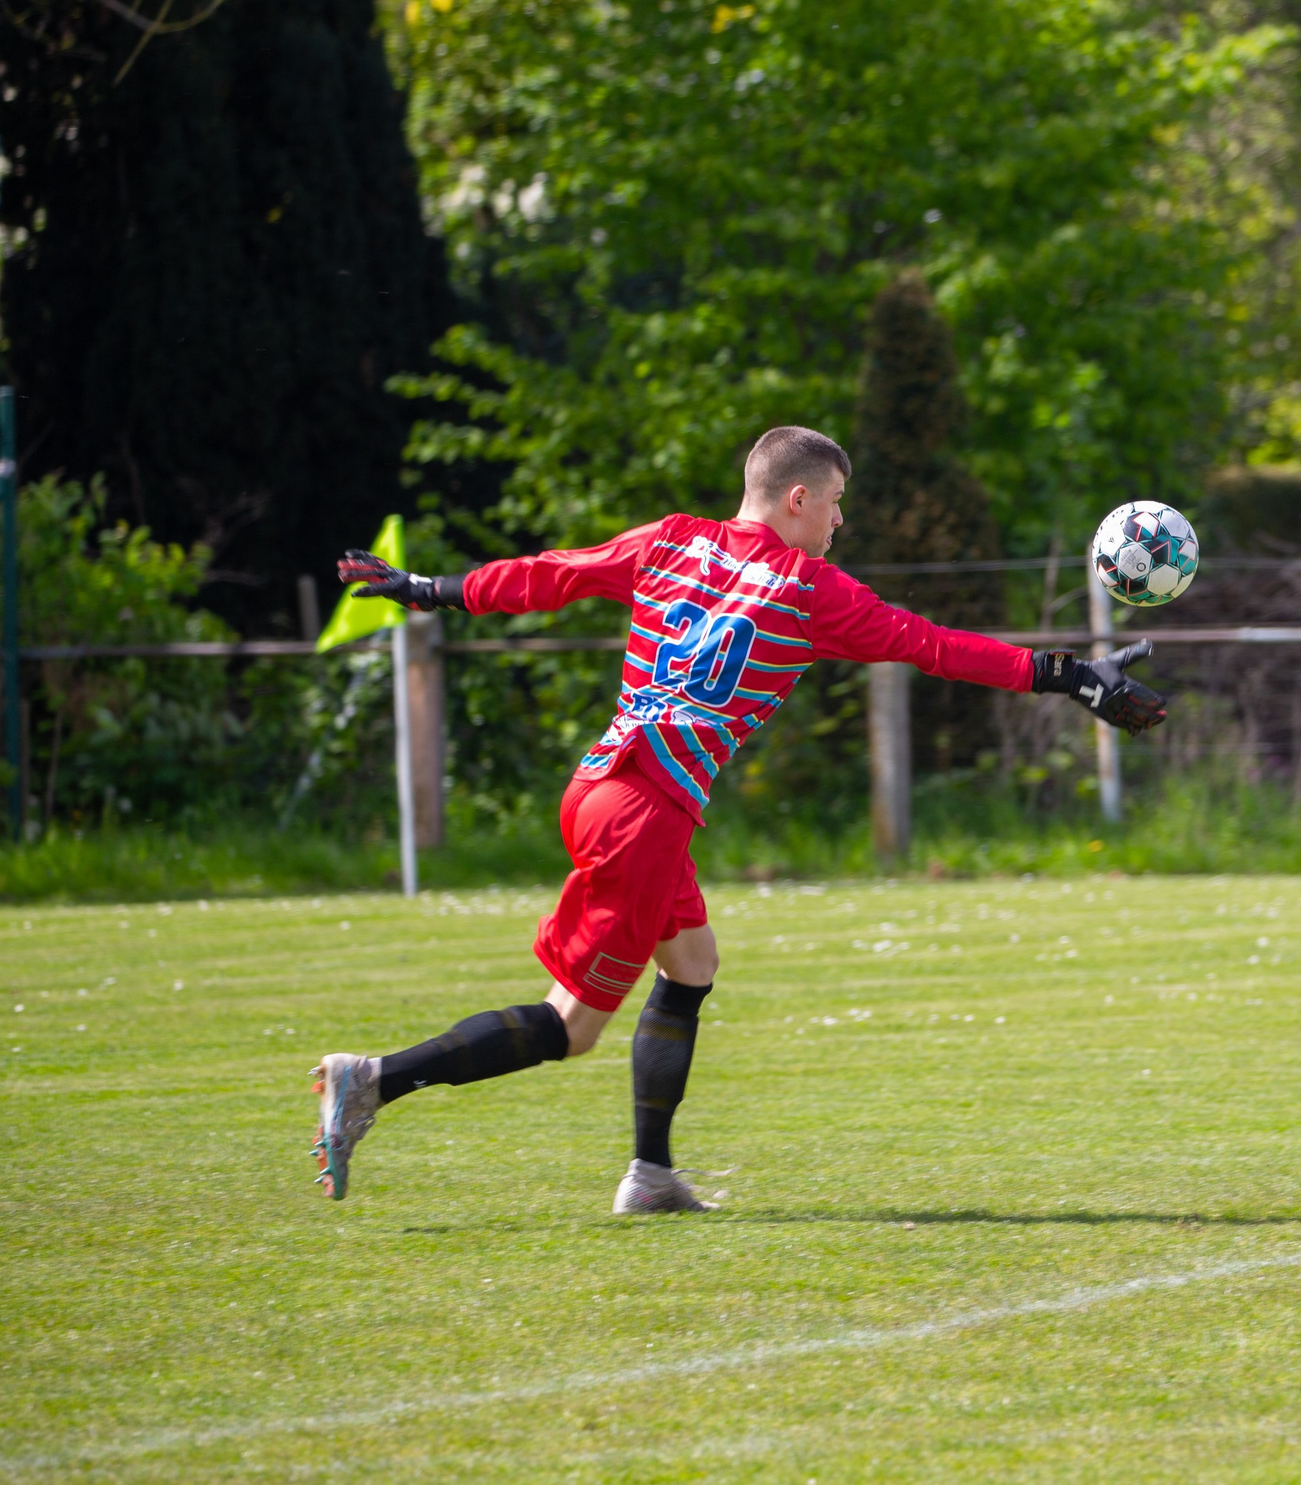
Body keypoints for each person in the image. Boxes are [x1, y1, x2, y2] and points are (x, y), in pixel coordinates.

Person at [309, 425, 1165, 1213]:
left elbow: (553, 572)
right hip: (645, 813)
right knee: (570, 1028)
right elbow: (932, 643)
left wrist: (431, 588)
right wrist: (1071, 676)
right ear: (797, 499)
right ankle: (375, 1079)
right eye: (833, 502)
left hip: (606, 782)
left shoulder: (673, 538)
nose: (839, 520)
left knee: (691, 964)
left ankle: (650, 1174)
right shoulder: (809, 590)